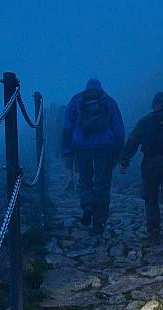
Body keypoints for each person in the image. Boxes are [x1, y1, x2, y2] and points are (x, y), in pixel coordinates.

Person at [119, 92, 163, 253]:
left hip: (151, 166)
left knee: (150, 200)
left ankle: (153, 234)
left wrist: (124, 161)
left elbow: (133, 141)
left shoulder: (147, 120)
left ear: (155, 105)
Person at [62, 79, 125, 235]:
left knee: (85, 178)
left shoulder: (76, 100)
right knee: (102, 183)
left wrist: (66, 149)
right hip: (105, 145)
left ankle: (87, 205)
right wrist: (119, 151)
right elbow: (118, 128)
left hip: (82, 145)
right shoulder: (109, 101)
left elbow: (67, 126)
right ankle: (99, 222)